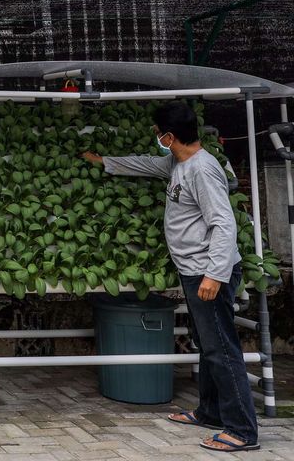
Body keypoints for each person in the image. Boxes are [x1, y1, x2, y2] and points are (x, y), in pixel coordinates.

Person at [81, 101, 259, 453]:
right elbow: (147, 164)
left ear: (169, 136)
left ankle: (242, 430)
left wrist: (215, 274)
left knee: (222, 349)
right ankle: (210, 411)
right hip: (195, 271)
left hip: (208, 273)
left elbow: (224, 223)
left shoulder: (202, 170)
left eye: (157, 132)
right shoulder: (179, 162)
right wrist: (106, 162)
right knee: (207, 346)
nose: (155, 137)